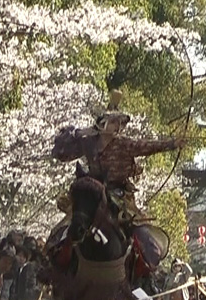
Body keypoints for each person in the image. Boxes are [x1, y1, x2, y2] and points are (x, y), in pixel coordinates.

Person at [51, 91, 184, 222]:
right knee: (72, 219)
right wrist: (78, 133)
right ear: (103, 123)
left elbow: (147, 146)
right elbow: (61, 154)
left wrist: (172, 144)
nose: (118, 126)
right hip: (92, 191)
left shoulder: (124, 143)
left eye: (120, 123)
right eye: (114, 122)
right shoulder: (89, 142)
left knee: (135, 227)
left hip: (119, 194)